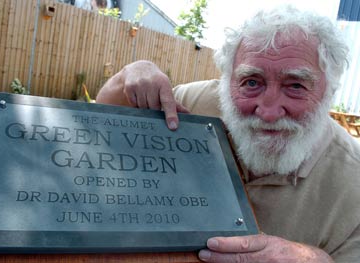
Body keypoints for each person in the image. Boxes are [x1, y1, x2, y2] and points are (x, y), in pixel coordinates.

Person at [96, 6, 360, 263]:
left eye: (295, 85)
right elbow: (100, 123)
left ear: (329, 90)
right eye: (252, 82)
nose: (268, 111)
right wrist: (130, 75)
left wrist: (315, 259)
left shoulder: (354, 184)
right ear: (227, 81)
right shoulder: (195, 104)